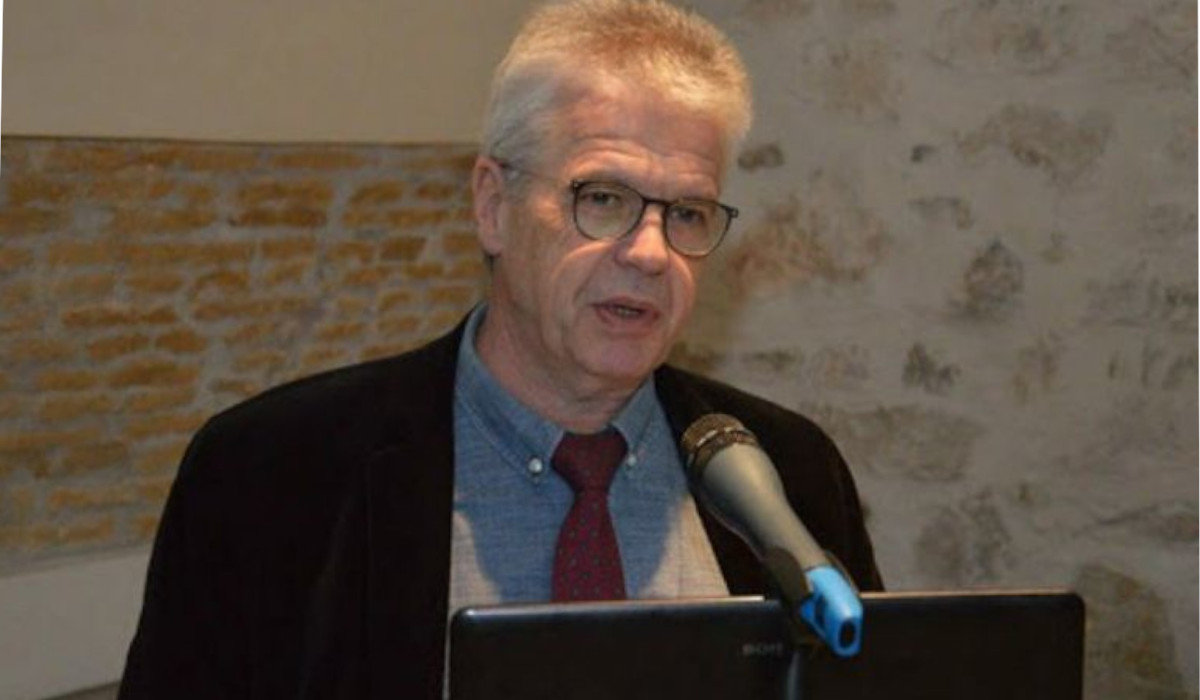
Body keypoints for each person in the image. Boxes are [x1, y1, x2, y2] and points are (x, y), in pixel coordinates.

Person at [119, 1, 881, 697]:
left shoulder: (789, 474)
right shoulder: (270, 478)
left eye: (687, 213)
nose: (651, 253)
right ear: (492, 206)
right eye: (603, 199)